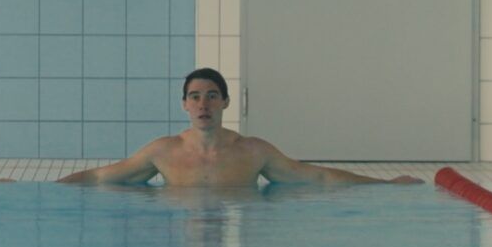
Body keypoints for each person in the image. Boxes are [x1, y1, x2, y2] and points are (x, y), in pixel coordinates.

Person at [54, 69, 423, 189]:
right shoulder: (163, 152)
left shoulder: (253, 151)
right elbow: (102, 177)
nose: (203, 105)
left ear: (226, 103)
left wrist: (385, 185)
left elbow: (319, 178)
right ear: (184, 104)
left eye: (213, 96)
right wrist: (41, 190)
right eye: (195, 97)